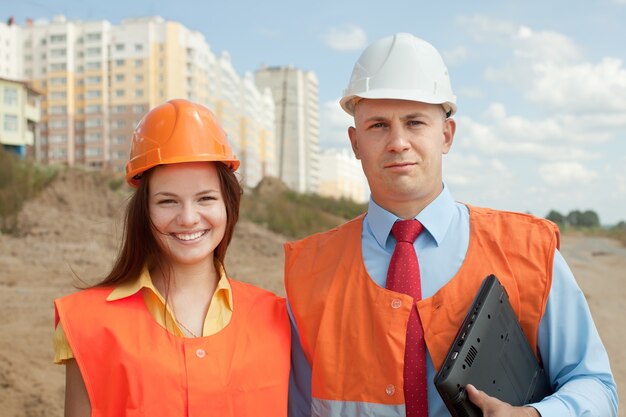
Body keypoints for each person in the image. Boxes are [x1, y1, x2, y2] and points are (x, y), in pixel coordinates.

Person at [285, 33, 618, 417]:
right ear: (354, 142)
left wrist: (535, 415)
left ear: (446, 135)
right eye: (378, 125)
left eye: (414, 122)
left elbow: (596, 386)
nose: (398, 142)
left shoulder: (528, 251)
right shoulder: (309, 270)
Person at [53, 99, 291, 416]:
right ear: (144, 210)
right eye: (168, 202)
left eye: (205, 198)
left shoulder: (278, 319)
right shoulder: (88, 322)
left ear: (228, 205)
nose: (189, 218)